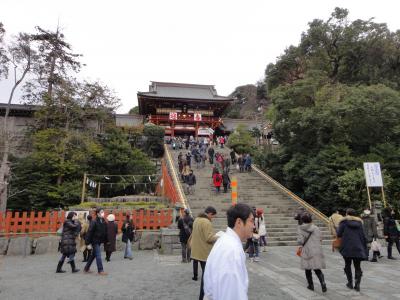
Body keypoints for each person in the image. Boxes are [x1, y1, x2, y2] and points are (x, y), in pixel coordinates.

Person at [204, 203, 254, 300]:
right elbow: (231, 294)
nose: (254, 226)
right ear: (239, 222)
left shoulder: (225, 241)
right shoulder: (232, 251)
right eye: (251, 221)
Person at [189, 206, 218, 300]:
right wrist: (219, 236)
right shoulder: (206, 222)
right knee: (207, 277)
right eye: (213, 216)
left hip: (197, 251)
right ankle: (203, 297)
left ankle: (205, 296)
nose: (212, 218)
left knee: (206, 276)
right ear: (210, 214)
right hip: (205, 253)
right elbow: (209, 238)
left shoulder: (197, 219)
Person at [337, 208, 368, 292]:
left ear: (347, 214)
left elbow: (339, 234)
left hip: (347, 246)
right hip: (358, 247)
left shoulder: (343, 222)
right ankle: (357, 285)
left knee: (347, 264)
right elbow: (363, 235)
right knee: (357, 266)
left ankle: (350, 283)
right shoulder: (360, 222)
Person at [297, 213, 327, 293]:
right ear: (311, 220)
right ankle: (323, 283)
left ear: (303, 220)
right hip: (316, 249)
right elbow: (320, 238)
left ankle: (311, 285)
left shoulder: (301, 228)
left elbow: (300, 241)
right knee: (317, 268)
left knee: (308, 268)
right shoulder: (316, 228)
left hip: (307, 250)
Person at [84, 208, 108, 275]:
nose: (103, 213)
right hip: (95, 241)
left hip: (100, 241)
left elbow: (105, 232)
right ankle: (100, 270)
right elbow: (89, 232)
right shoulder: (94, 222)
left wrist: (107, 241)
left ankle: (86, 268)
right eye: (102, 212)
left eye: (103, 212)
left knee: (93, 255)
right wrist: (87, 243)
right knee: (98, 255)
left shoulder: (103, 221)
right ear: (98, 214)